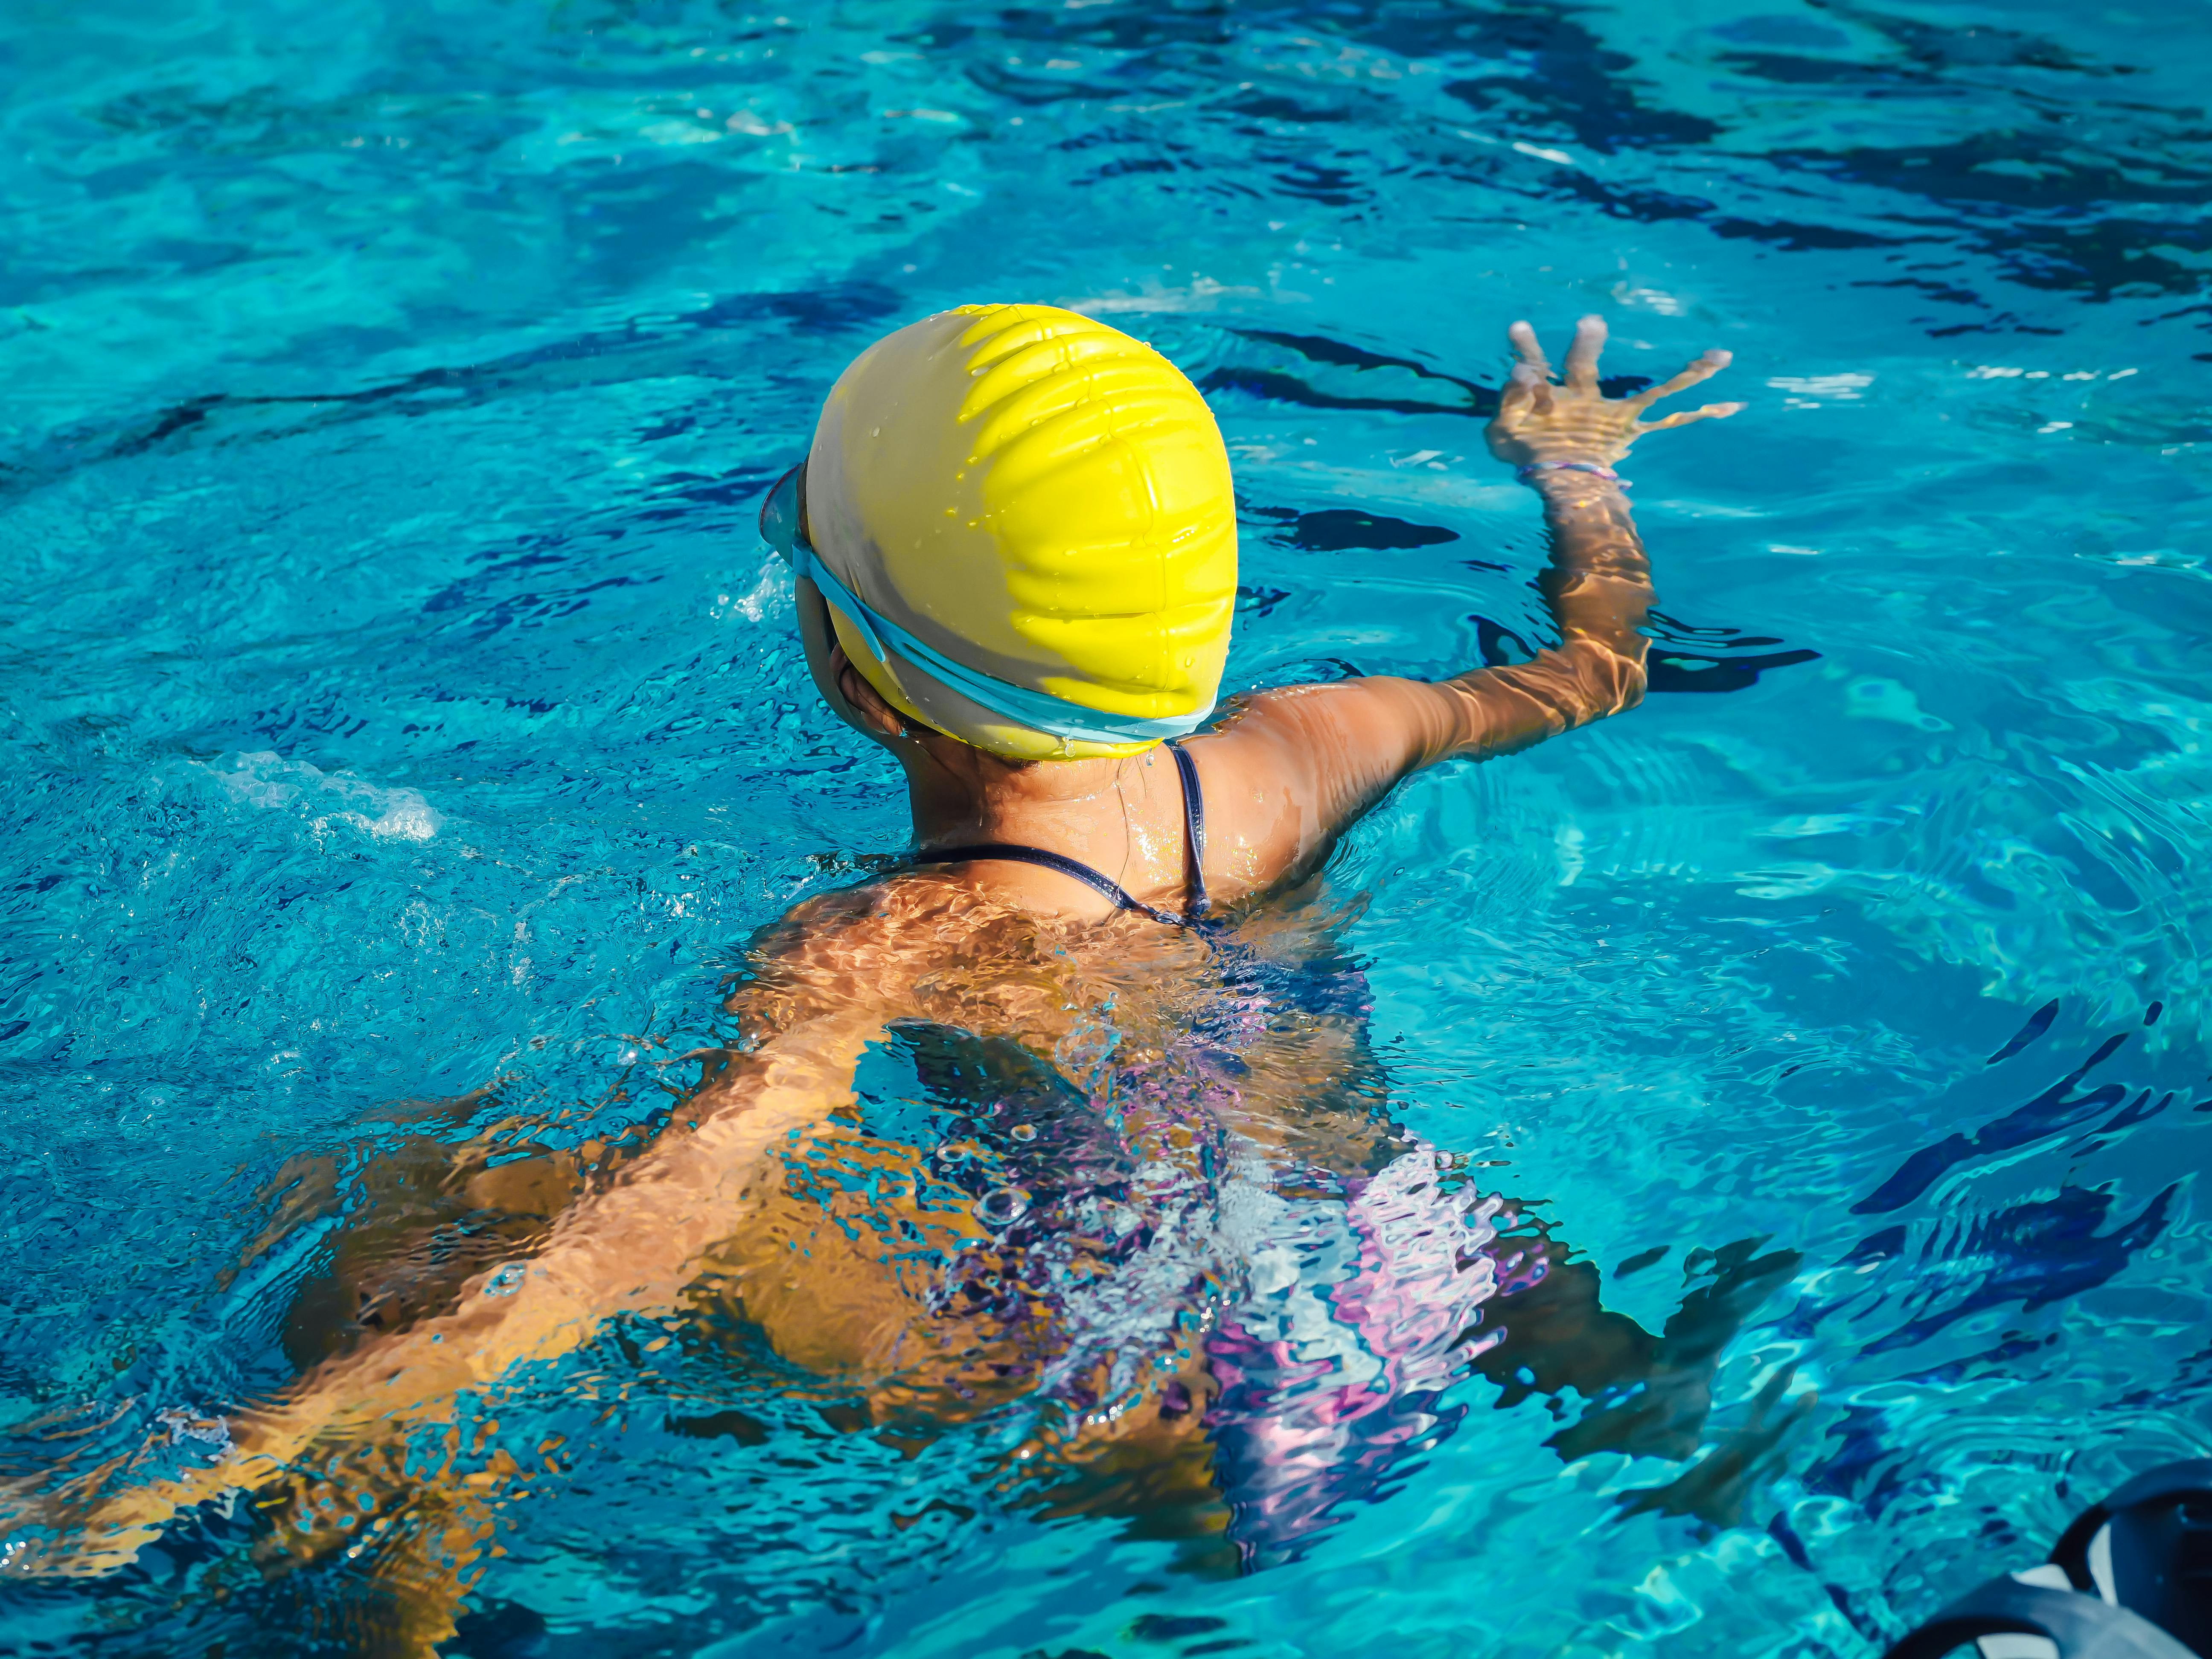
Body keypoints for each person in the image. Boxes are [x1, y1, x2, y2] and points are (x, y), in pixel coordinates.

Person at [4, 306, 1741, 1649]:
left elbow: (667, 1214)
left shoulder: (885, 942)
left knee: (416, 1195)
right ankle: (1637, 1394)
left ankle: (346, 1597)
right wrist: (1576, 472)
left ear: (856, 668)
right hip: (1434, 1296)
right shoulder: (1305, 748)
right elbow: (1594, 669)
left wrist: (218, 1453)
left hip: (1164, 1422)